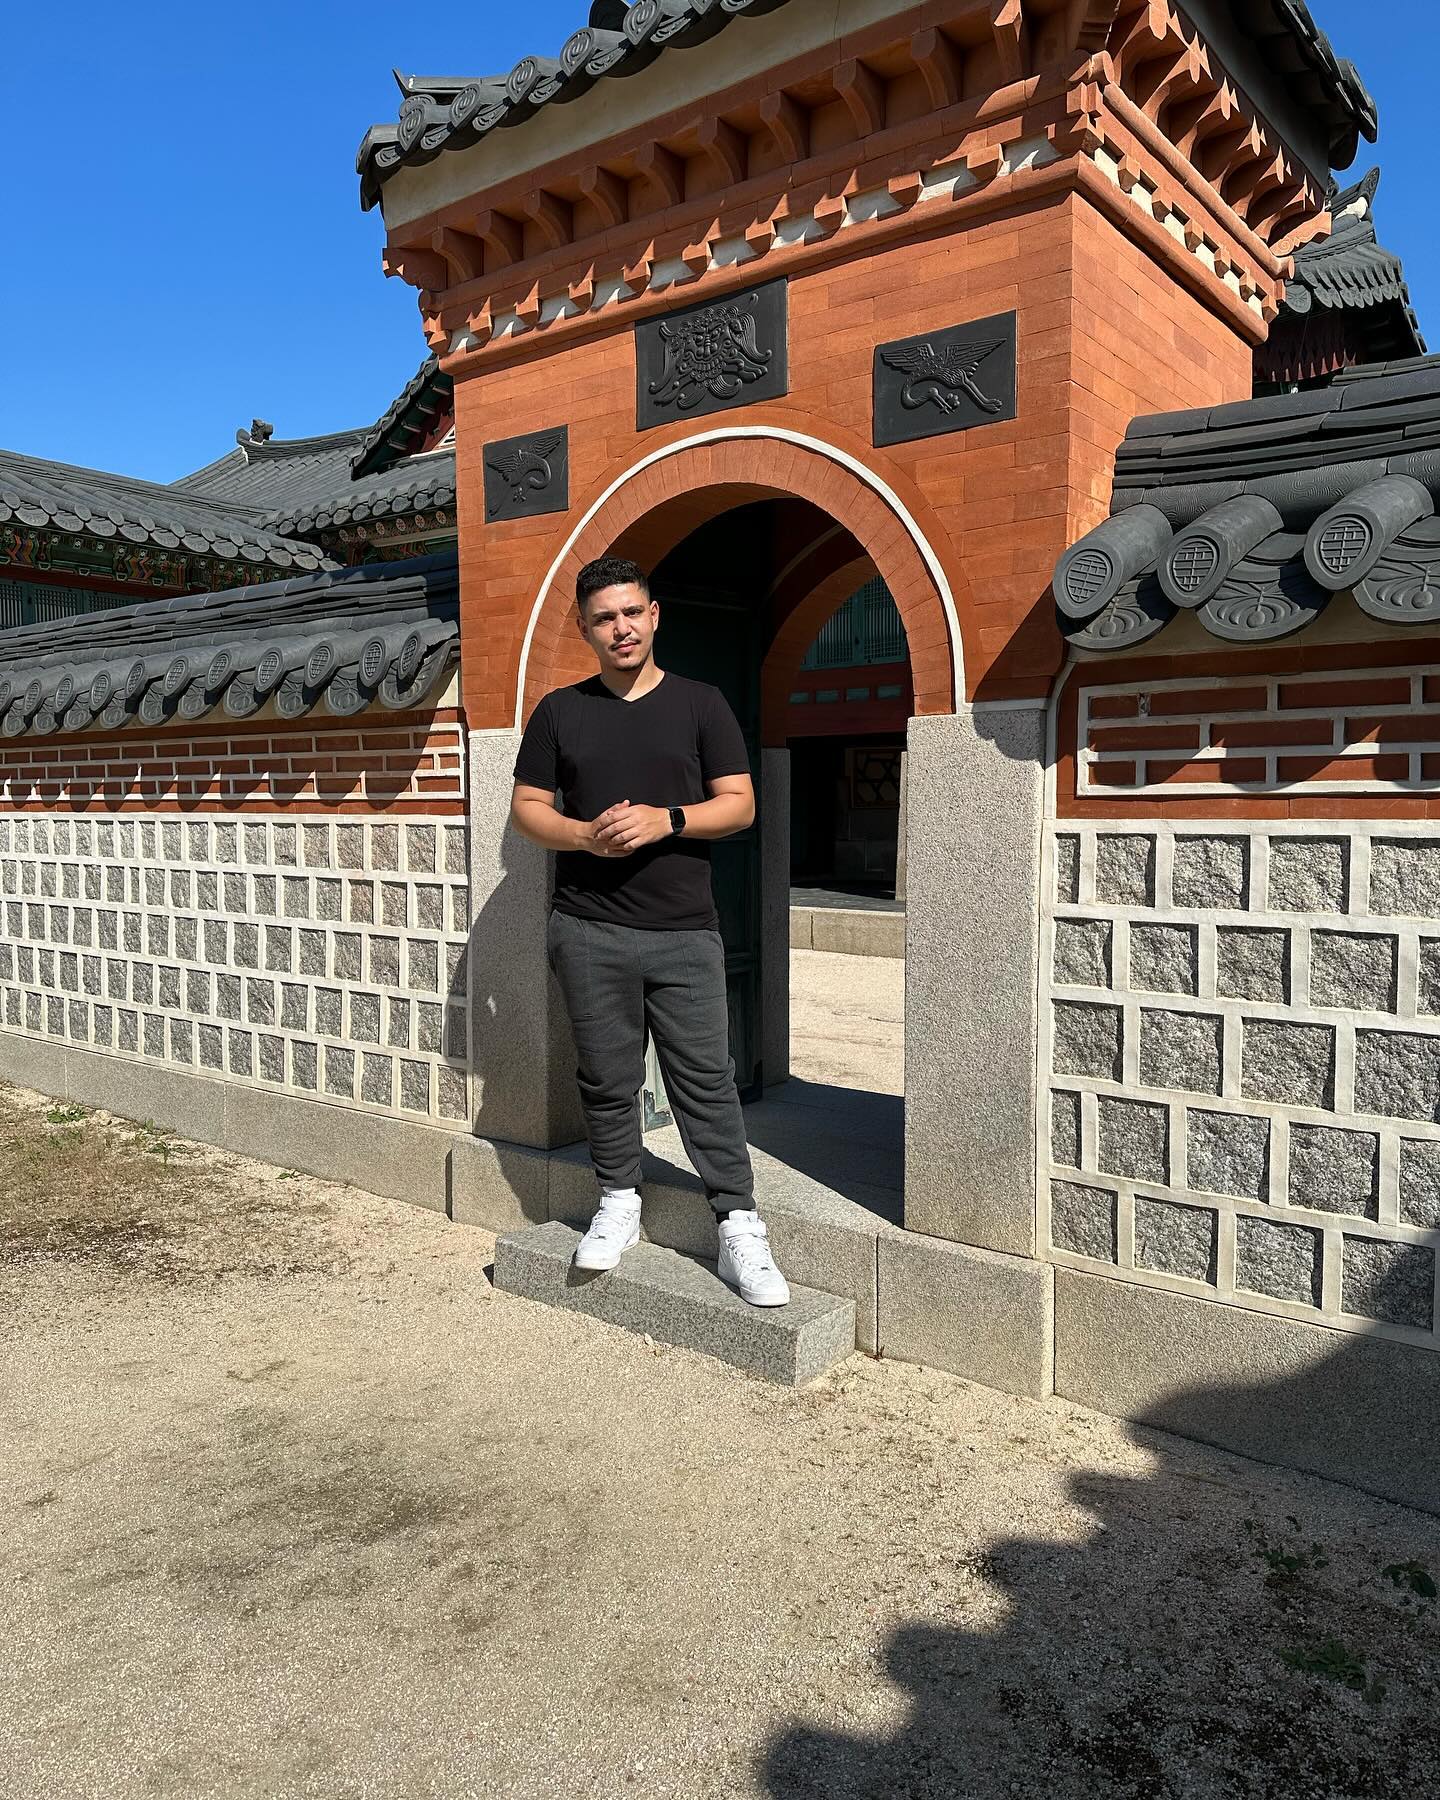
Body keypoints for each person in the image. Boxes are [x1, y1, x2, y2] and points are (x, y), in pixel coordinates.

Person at [509, 554, 790, 1307]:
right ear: (584, 628)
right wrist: (582, 836)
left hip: (684, 931)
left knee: (706, 1082)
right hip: (588, 927)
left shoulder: (701, 704)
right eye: (604, 618)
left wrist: (668, 820)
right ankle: (619, 1200)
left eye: (632, 612)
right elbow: (527, 808)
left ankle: (738, 1225)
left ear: (655, 615)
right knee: (606, 1079)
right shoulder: (559, 711)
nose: (621, 628)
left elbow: (740, 804)